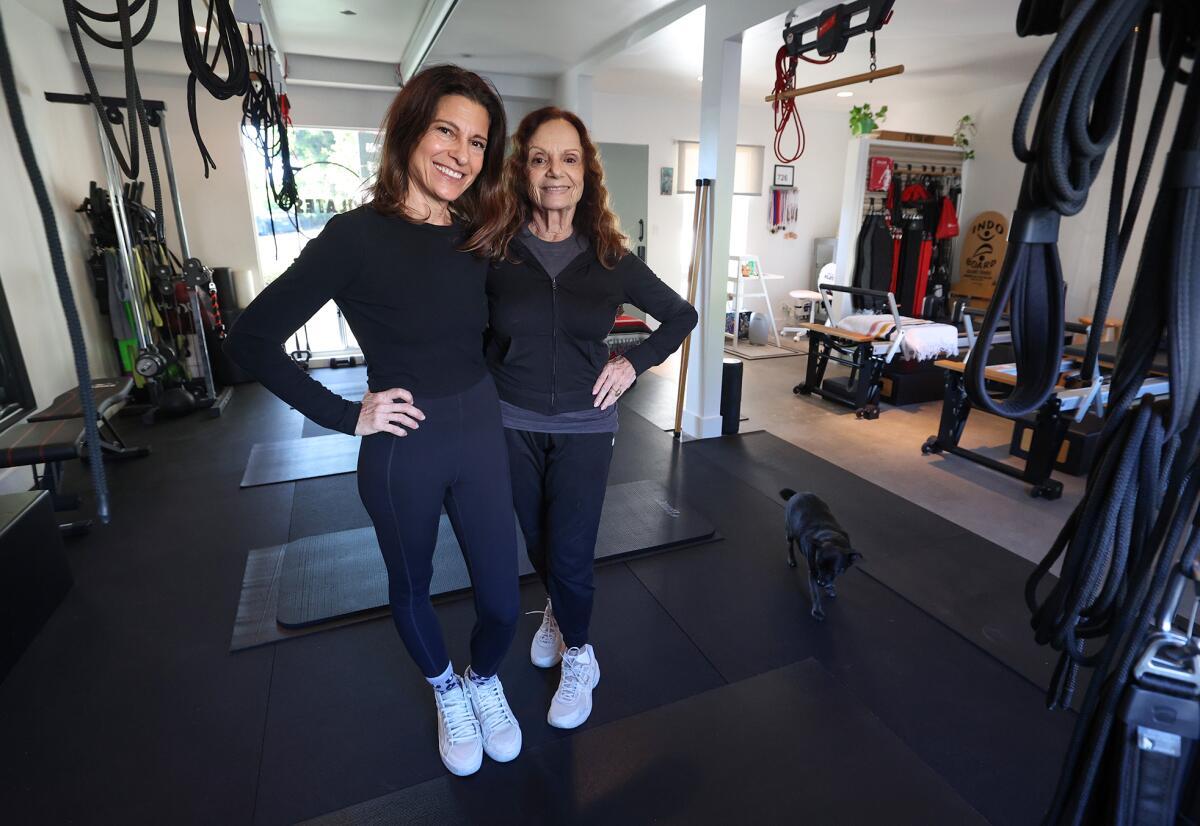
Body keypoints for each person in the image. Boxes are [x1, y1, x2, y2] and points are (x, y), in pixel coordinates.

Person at [225, 65, 522, 778]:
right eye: (446, 130)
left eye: (478, 142)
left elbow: (487, 333)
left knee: (505, 600)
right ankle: (446, 688)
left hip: (480, 431)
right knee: (411, 584)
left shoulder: (482, 233)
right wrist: (346, 413)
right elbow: (251, 340)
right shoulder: (354, 237)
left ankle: (483, 679)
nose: (461, 153)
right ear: (410, 131)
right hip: (403, 444)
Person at [486, 107, 698, 729]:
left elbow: (680, 315)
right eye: (541, 158)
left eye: (569, 159)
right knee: (536, 541)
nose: (556, 172)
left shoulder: (610, 258)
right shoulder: (495, 250)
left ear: (586, 172)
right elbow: (466, 329)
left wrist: (634, 365)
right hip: (508, 422)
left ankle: (580, 654)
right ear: (522, 169)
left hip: (585, 424)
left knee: (571, 551)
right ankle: (558, 609)